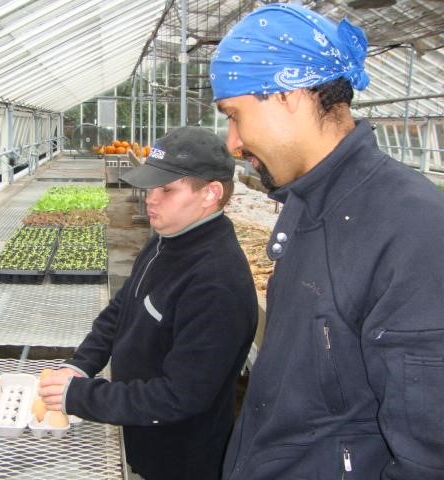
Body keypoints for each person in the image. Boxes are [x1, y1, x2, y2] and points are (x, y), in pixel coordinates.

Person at [210, 3, 444, 480]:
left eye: (234, 115)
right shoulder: (306, 202)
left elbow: (428, 453)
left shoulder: (413, 228)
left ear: (289, 94)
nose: (232, 142)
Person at [38, 126, 258, 480]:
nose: (150, 199)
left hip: (178, 457)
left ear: (210, 194)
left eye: (167, 189)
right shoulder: (168, 239)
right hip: (139, 431)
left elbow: (179, 396)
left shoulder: (216, 283)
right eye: (152, 186)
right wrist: (81, 366)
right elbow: (121, 308)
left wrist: (80, 397)